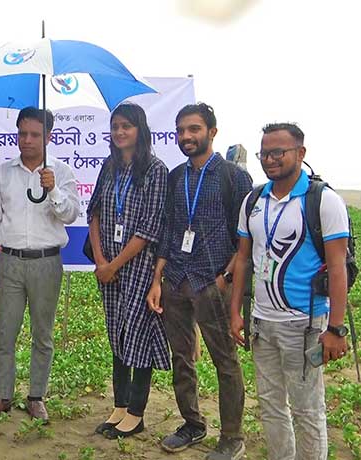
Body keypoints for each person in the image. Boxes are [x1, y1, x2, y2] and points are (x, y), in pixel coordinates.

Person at [230, 123, 349, 460]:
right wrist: (235, 312)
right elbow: (242, 259)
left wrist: (335, 329)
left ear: (301, 153)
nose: (270, 159)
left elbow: (338, 267)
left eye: (278, 152)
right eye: (264, 153)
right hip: (261, 323)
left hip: (305, 323)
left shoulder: (323, 201)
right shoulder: (253, 199)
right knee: (270, 406)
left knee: (307, 410)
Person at [146, 102, 252, 459]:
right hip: (175, 280)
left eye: (194, 129)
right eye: (181, 131)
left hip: (212, 283)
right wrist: (158, 278)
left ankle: (232, 437)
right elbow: (167, 230)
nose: (186, 137)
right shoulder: (176, 177)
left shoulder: (234, 178)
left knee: (225, 361)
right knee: (181, 358)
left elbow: (245, 239)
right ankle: (192, 423)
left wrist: (224, 279)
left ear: (212, 132)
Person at [0, 107, 80, 423]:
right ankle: (2, 395)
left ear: (49, 137)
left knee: (42, 335)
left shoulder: (61, 173)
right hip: (9, 262)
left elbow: (70, 215)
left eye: (35, 135)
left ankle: (36, 396)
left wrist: (54, 190)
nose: (27, 140)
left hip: (47, 263)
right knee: (4, 333)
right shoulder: (3, 173)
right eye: (22, 133)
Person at [86, 103, 170, 438]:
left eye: (127, 126)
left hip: (138, 268)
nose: (120, 132)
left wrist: (114, 264)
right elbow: (94, 212)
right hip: (108, 267)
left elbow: (150, 228)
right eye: (115, 126)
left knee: (138, 336)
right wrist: (101, 261)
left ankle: (136, 413)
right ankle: (119, 406)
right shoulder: (109, 166)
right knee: (116, 336)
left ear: (141, 130)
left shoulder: (155, 170)